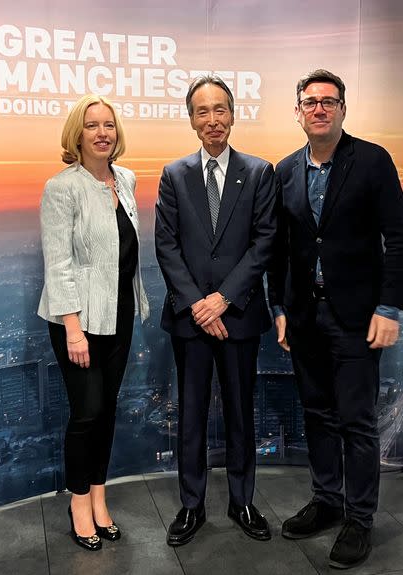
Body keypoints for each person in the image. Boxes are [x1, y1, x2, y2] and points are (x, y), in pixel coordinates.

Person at [268, 69, 403, 569]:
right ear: (298, 111)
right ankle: (327, 501)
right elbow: (280, 250)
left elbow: (399, 238)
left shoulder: (372, 161)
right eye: (310, 102)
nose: (320, 109)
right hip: (306, 317)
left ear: (343, 110)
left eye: (329, 101)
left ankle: (359, 518)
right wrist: (280, 307)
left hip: (356, 317)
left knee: (356, 420)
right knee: (318, 415)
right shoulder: (284, 171)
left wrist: (389, 307)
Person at [154, 75, 277, 546]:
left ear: (233, 114)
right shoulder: (174, 175)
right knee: (191, 415)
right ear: (191, 120)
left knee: (242, 412)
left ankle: (243, 500)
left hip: (239, 314)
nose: (213, 120)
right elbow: (167, 246)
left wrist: (223, 299)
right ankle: (192, 505)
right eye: (202, 112)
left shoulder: (259, 172)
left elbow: (265, 242)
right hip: (190, 319)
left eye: (220, 109)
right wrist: (199, 306)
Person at [38, 93, 149, 551]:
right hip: (78, 320)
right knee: (86, 414)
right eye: (92, 126)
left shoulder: (126, 179)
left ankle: (100, 498)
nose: (103, 133)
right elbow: (58, 263)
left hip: (119, 313)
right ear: (76, 135)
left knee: (107, 412)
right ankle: (78, 503)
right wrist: (73, 327)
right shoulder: (61, 188)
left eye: (109, 124)